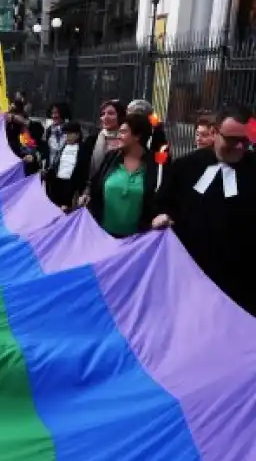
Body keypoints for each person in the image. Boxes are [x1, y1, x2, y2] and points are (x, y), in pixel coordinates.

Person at [153, 104, 256, 316]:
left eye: (245, 141)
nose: (239, 147)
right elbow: (163, 202)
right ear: (215, 133)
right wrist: (161, 216)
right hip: (188, 272)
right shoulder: (187, 166)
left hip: (239, 280)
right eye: (232, 140)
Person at [87, 113, 159, 238]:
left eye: (123, 132)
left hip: (138, 241)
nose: (118, 136)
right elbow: (95, 185)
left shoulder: (156, 165)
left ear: (137, 136)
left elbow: (162, 198)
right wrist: (86, 196)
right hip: (102, 236)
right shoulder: (111, 158)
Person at [45, 121, 85, 211]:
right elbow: (56, 164)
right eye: (65, 134)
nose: (66, 136)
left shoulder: (82, 149)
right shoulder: (63, 147)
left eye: (69, 134)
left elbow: (82, 170)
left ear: (77, 134)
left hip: (71, 185)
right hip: (58, 182)